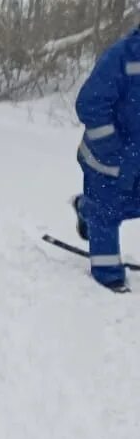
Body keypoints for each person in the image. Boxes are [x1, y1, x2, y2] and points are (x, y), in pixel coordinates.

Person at [73, 28, 140, 293]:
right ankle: (108, 275)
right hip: (105, 162)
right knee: (107, 212)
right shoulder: (122, 55)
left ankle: (84, 208)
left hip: (136, 162)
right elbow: (89, 103)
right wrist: (117, 151)